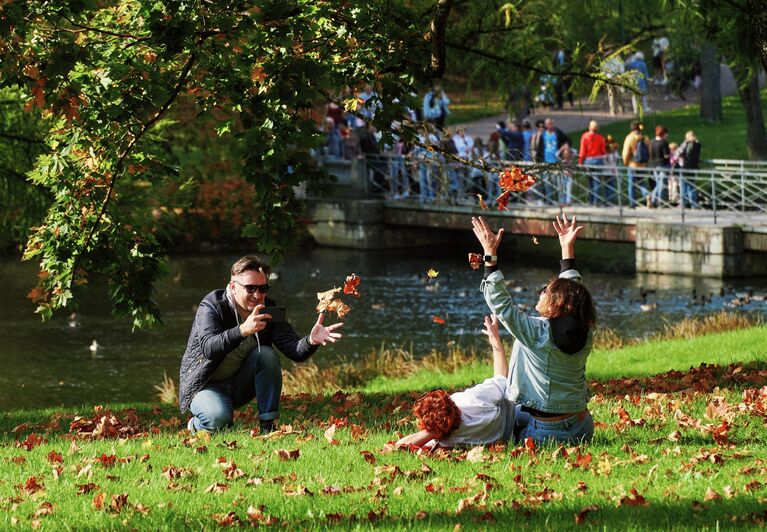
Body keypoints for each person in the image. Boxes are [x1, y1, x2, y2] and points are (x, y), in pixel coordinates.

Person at [179, 255, 344, 434]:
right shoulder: (212, 305)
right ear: (233, 287)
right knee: (218, 421)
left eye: (263, 288)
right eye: (250, 288)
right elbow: (209, 348)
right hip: (204, 384)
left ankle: (268, 427)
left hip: (238, 384)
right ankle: (195, 425)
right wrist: (243, 330)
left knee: (266, 355)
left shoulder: (268, 309)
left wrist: (311, 341)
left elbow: (295, 350)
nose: (257, 295)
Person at [472, 214, 596, 445]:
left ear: (557, 303)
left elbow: (501, 305)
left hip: (548, 433)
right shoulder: (585, 331)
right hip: (583, 426)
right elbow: (575, 295)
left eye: (545, 291)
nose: (540, 292)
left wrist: (490, 256)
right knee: (512, 411)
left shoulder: (537, 332)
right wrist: (567, 249)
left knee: (498, 428)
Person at [395, 315, 513, 449]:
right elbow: (501, 376)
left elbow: (400, 446)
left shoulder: (449, 441)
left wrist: (431, 431)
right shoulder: (472, 400)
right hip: (516, 412)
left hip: (510, 434)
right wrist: (495, 338)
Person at [622, 120, 651, 207]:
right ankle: (647, 195)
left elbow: (626, 152)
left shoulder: (630, 138)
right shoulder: (645, 138)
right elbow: (649, 151)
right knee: (642, 183)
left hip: (632, 164)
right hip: (642, 165)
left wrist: (626, 162)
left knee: (631, 185)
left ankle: (632, 203)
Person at [578, 120, 607, 205]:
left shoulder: (585, 137)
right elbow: (603, 151)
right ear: (597, 128)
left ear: (589, 127)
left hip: (588, 161)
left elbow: (582, 151)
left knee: (589, 182)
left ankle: (590, 201)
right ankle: (596, 202)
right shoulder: (600, 138)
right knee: (597, 182)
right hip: (598, 161)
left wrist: (580, 162)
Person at [677, 130, 702, 208]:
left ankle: (683, 203)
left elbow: (682, 153)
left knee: (683, 186)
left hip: (685, 167)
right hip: (694, 167)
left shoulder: (688, 144)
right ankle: (694, 205)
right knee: (691, 186)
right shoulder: (698, 145)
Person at [649, 125, 671, 207]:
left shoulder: (652, 141)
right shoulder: (663, 142)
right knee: (662, 185)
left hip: (653, 165)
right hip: (662, 165)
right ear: (664, 134)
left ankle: (652, 198)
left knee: (658, 183)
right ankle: (659, 202)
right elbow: (666, 155)